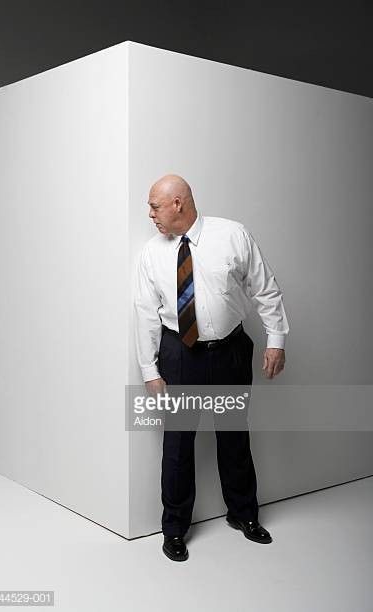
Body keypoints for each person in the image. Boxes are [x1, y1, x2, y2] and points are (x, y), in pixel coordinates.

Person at [134, 174, 289, 561]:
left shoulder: (232, 235)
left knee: (234, 437)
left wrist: (276, 339)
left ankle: (243, 514)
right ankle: (174, 529)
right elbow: (145, 315)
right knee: (178, 445)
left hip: (230, 352)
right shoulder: (151, 252)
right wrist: (150, 370)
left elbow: (264, 286)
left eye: (155, 205)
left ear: (178, 204)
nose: (149, 213)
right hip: (179, 355)